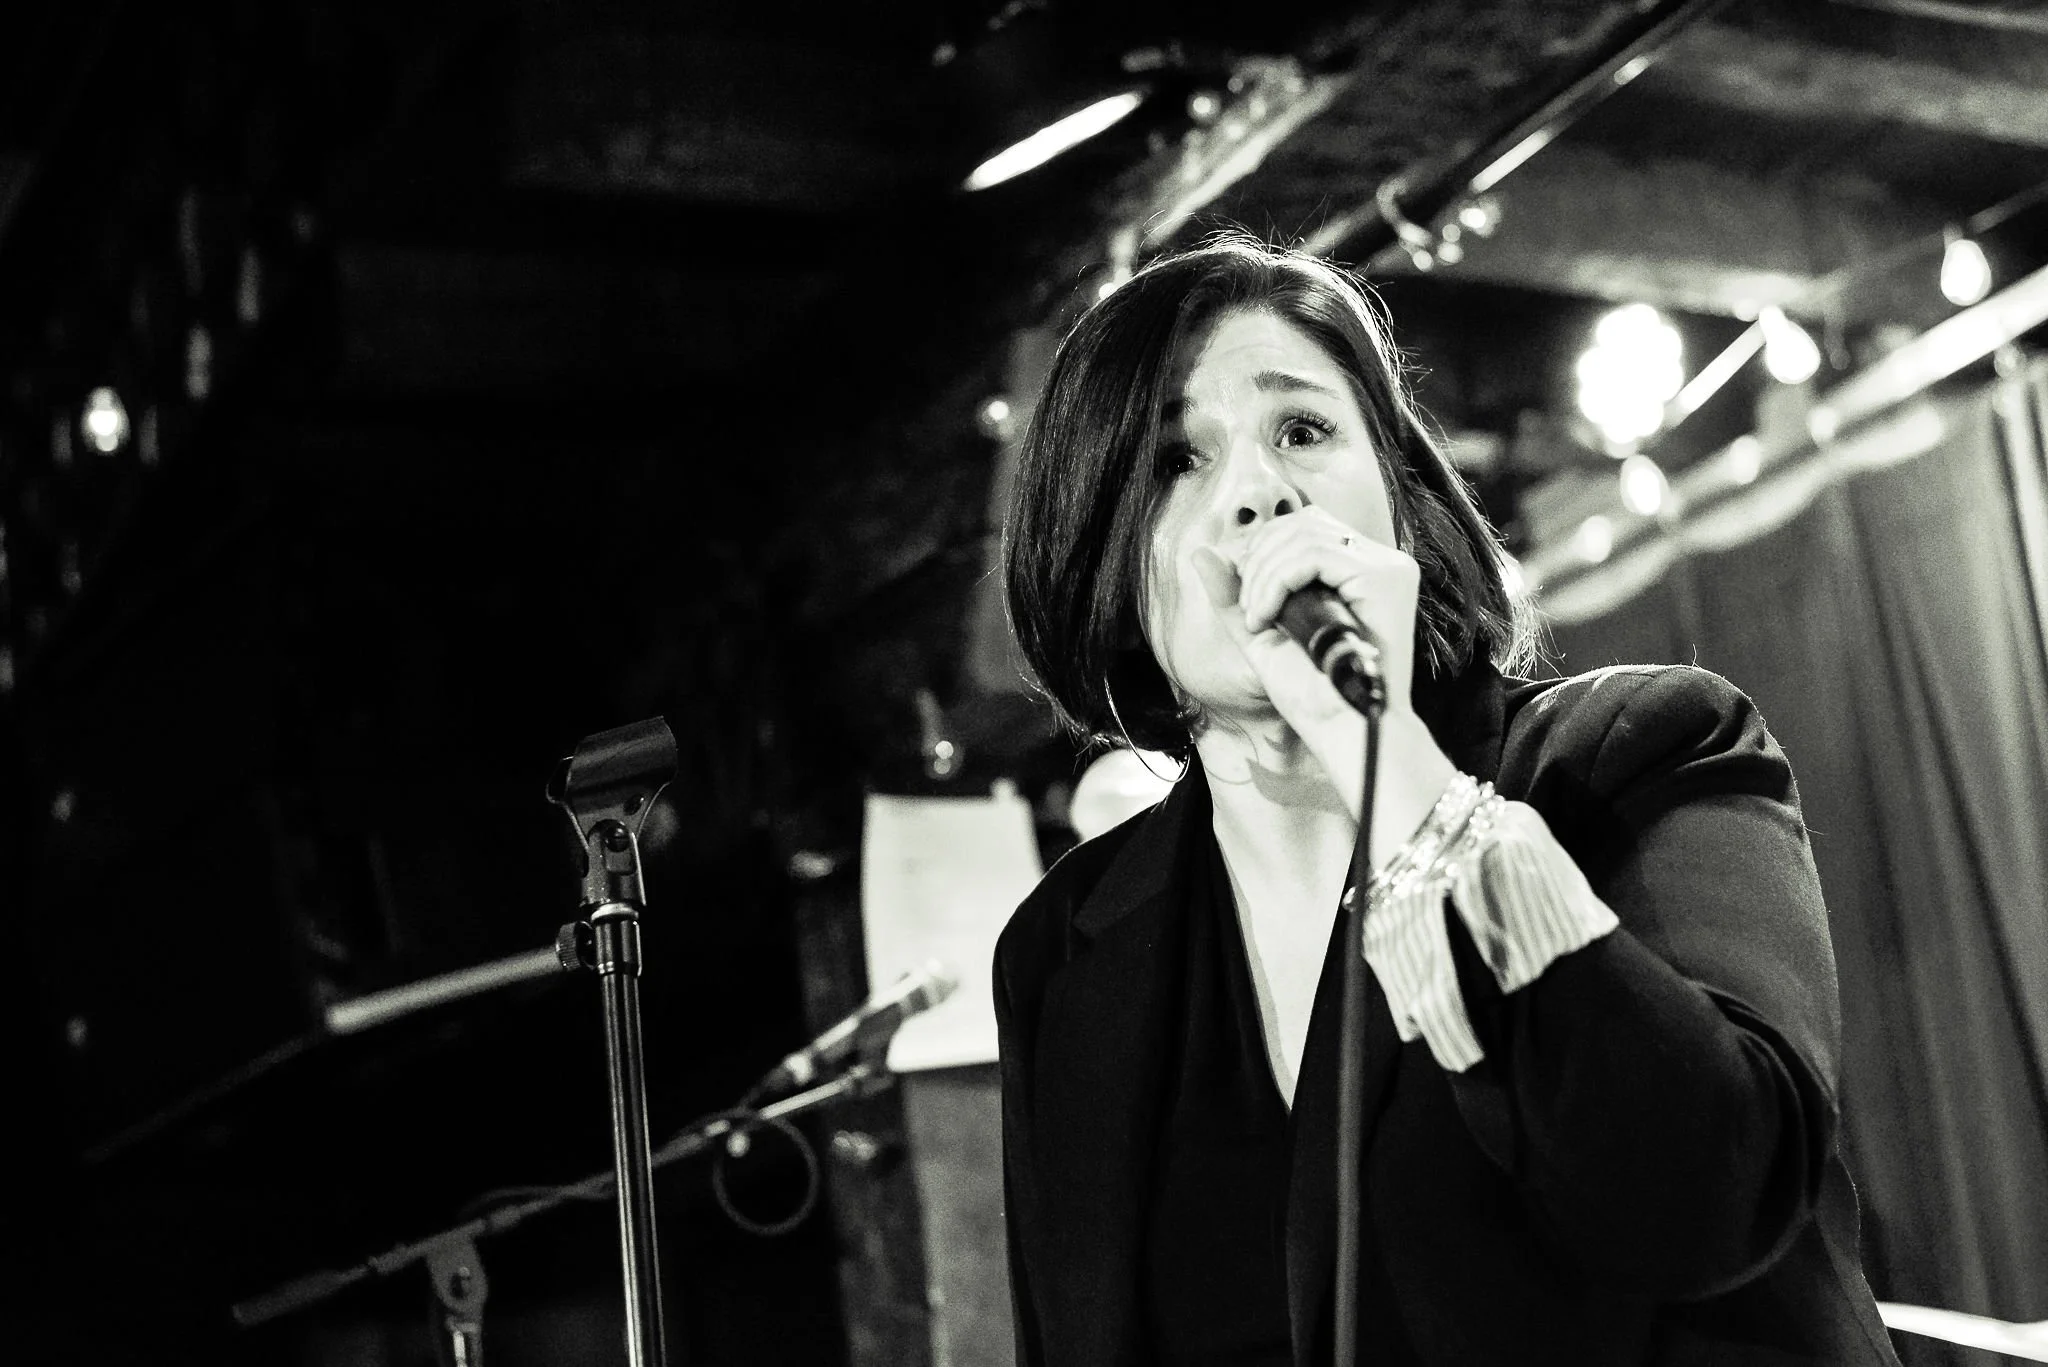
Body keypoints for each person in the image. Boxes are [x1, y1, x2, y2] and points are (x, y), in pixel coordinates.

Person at [994, 233, 1900, 1366]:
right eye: (1176, 458)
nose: (1258, 491)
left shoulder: (1640, 752)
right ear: (1105, 565)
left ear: (1398, 503)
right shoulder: (1064, 949)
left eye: (1302, 430)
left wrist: (1385, 760)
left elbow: (1707, 1193)